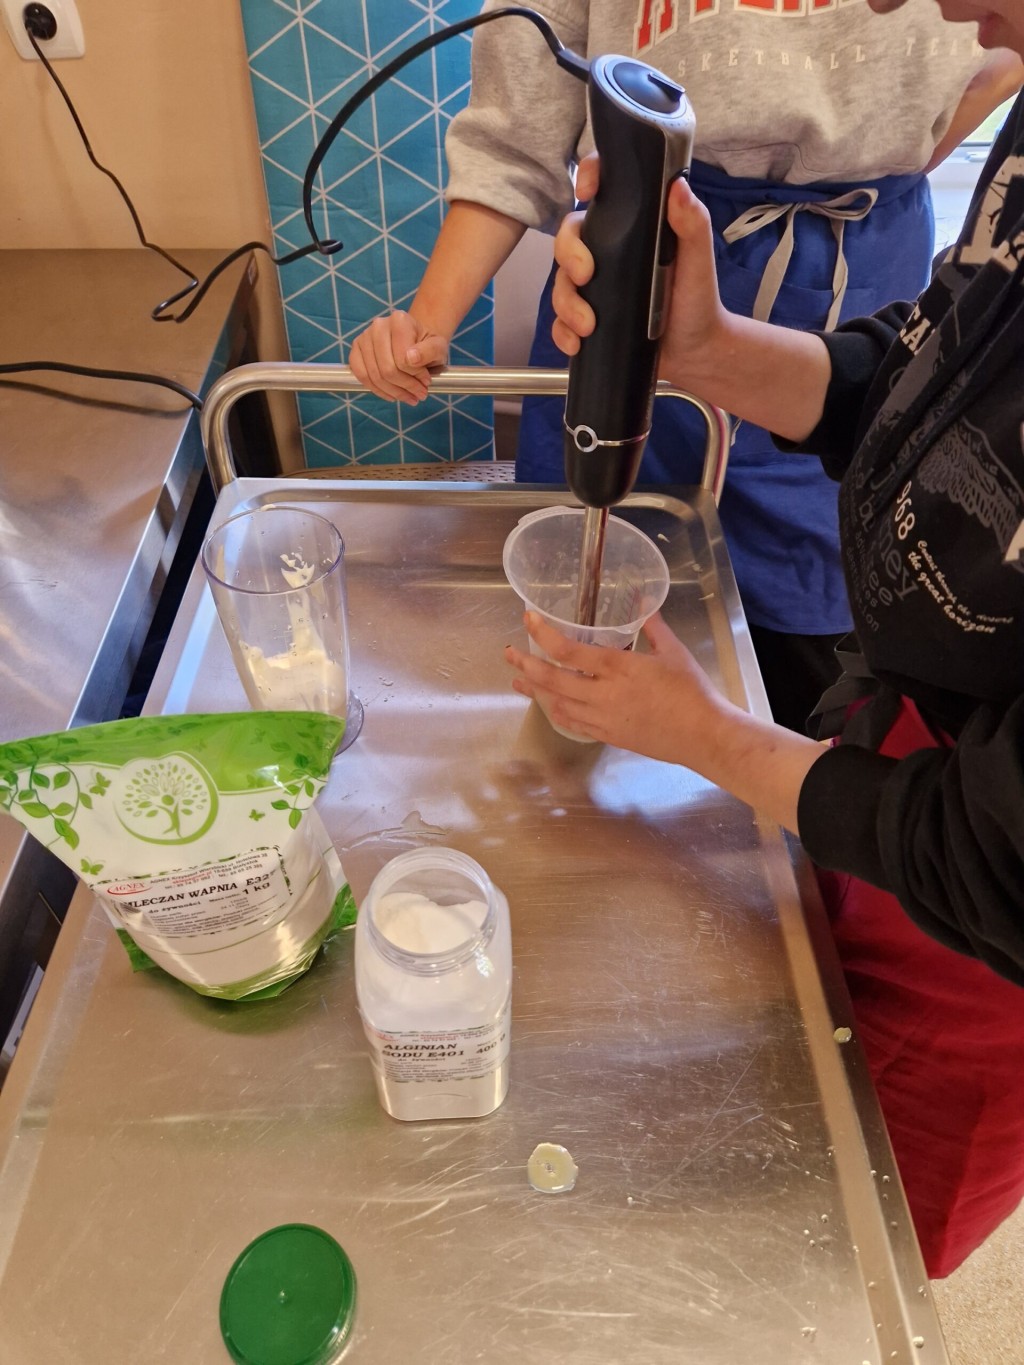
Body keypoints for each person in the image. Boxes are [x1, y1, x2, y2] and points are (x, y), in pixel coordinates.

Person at [503, 0, 1024, 1281]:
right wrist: (710, 349)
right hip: (896, 768)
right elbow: (934, 370)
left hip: (986, 955)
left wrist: (706, 737)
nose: (926, 12)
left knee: (843, 1243)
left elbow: (998, 861)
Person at [349, 0, 1023, 733]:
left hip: (853, 272)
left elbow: (998, 59)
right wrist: (424, 331)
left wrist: (910, 137)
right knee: (580, 588)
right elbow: (512, 139)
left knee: (803, 650)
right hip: (644, 246)